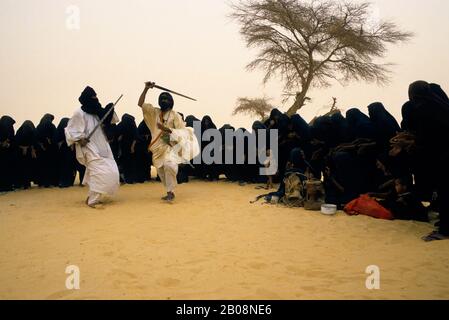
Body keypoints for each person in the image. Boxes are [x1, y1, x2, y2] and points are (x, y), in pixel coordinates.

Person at [65, 86, 120, 208]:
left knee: (112, 170)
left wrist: (109, 109)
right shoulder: (79, 113)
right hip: (88, 146)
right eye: (92, 97)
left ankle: (91, 196)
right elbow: (70, 130)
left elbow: (110, 120)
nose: (95, 99)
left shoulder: (96, 112)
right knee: (98, 171)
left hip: (101, 144)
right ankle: (93, 201)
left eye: (96, 96)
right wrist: (80, 139)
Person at [138, 82, 193, 202]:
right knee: (161, 171)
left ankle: (171, 193)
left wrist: (167, 130)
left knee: (170, 165)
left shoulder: (176, 116)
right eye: (162, 98)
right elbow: (140, 104)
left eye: (166, 99)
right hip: (157, 149)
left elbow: (181, 133)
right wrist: (146, 88)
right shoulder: (154, 113)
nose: (164, 100)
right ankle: (169, 190)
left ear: (171, 101)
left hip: (170, 146)